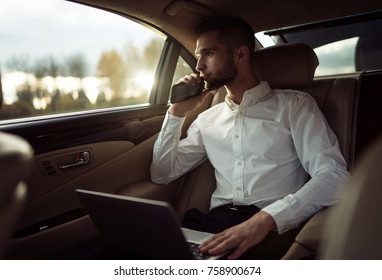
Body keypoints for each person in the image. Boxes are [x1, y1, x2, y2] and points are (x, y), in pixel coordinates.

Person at [150, 16, 350, 259]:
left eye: (208, 53)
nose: (199, 66)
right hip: (212, 225)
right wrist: (176, 113)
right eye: (198, 55)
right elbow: (161, 174)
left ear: (241, 55)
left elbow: (334, 176)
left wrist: (266, 220)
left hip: (274, 227)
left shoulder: (294, 106)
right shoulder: (207, 119)